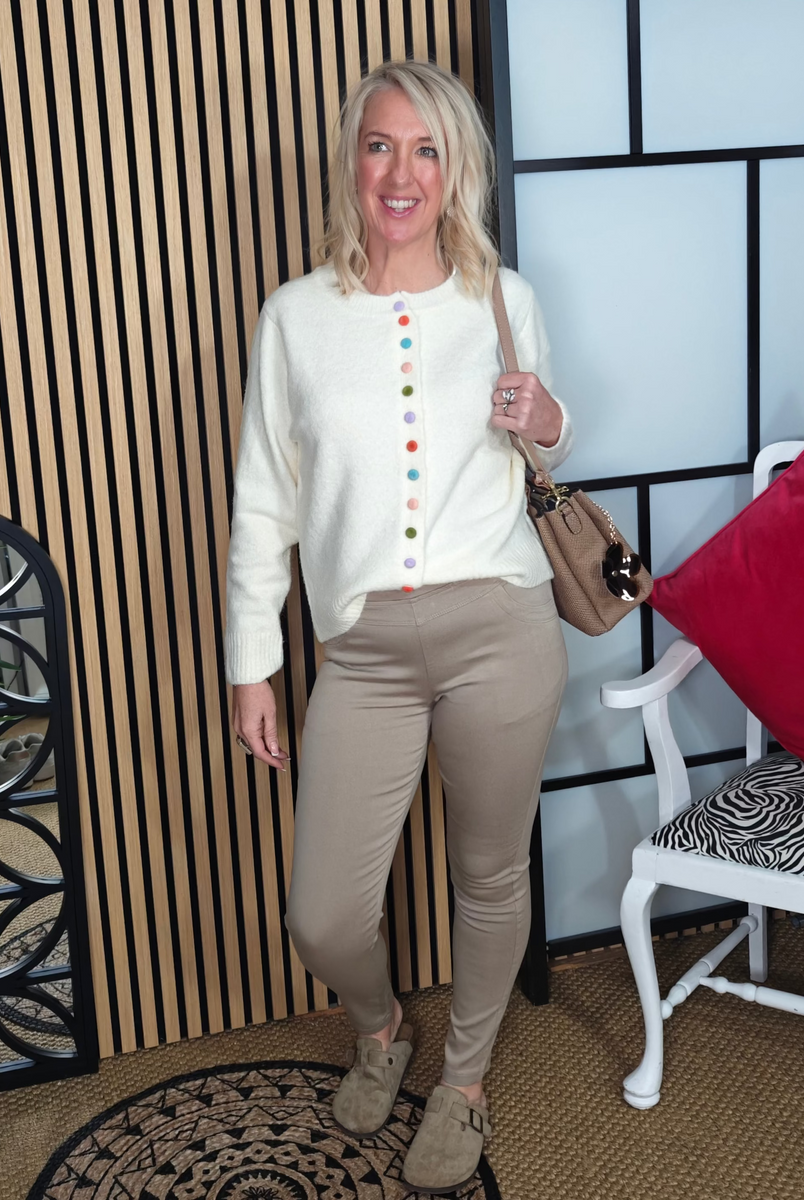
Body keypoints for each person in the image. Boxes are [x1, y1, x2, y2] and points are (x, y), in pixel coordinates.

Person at [225, 58, 571, 1194]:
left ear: (456, 167)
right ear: (353, 161)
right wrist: (253, 663)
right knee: (323, 909)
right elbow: (262, 503)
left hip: (501, 629)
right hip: (363, 648)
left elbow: (550, 448)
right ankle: (381, 1031)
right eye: (382, 145)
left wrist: (548, 418)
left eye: (427, 149)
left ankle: (463, 1084)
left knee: (487, 874)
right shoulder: (294, 318)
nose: (402, 171)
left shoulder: (505, 300)